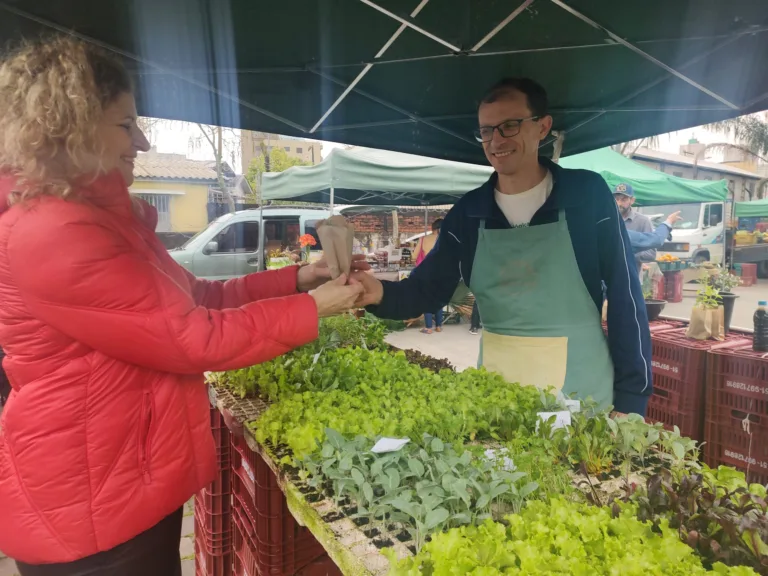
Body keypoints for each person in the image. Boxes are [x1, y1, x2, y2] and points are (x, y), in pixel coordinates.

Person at [0, 37, 365, 575]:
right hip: (89, 508)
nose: (142, 141)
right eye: (126, 125)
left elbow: (196, 299)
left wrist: (297, 280)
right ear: (69, 125)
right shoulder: (54, 231)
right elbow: (192, 337)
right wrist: (315, 308)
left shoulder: (97, 219)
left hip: (115, 482)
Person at [353, 77, 652, 416]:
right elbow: (427, 290)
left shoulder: (587, 194)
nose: (496, 141)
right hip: (496, 394)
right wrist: (376, 292)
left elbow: (626, 294)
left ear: (543, 127)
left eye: (509, 126)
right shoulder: (469, 212)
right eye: (486, 131)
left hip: (580, 387)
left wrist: (632, 397)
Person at [613, 183, 656, 273]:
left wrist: (626, 253)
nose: (619, 203)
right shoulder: (607, 219)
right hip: (609, 280)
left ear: (632, 200)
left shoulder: (643, 221)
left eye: (624, 200)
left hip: (632, 279)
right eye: (616, 199)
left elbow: (651, 254)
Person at [415, 219, 443, 334]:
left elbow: (414, 255)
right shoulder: (446, 241)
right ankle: (439, 326)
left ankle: (428, 327)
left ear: (433, 228)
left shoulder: (423, 239)